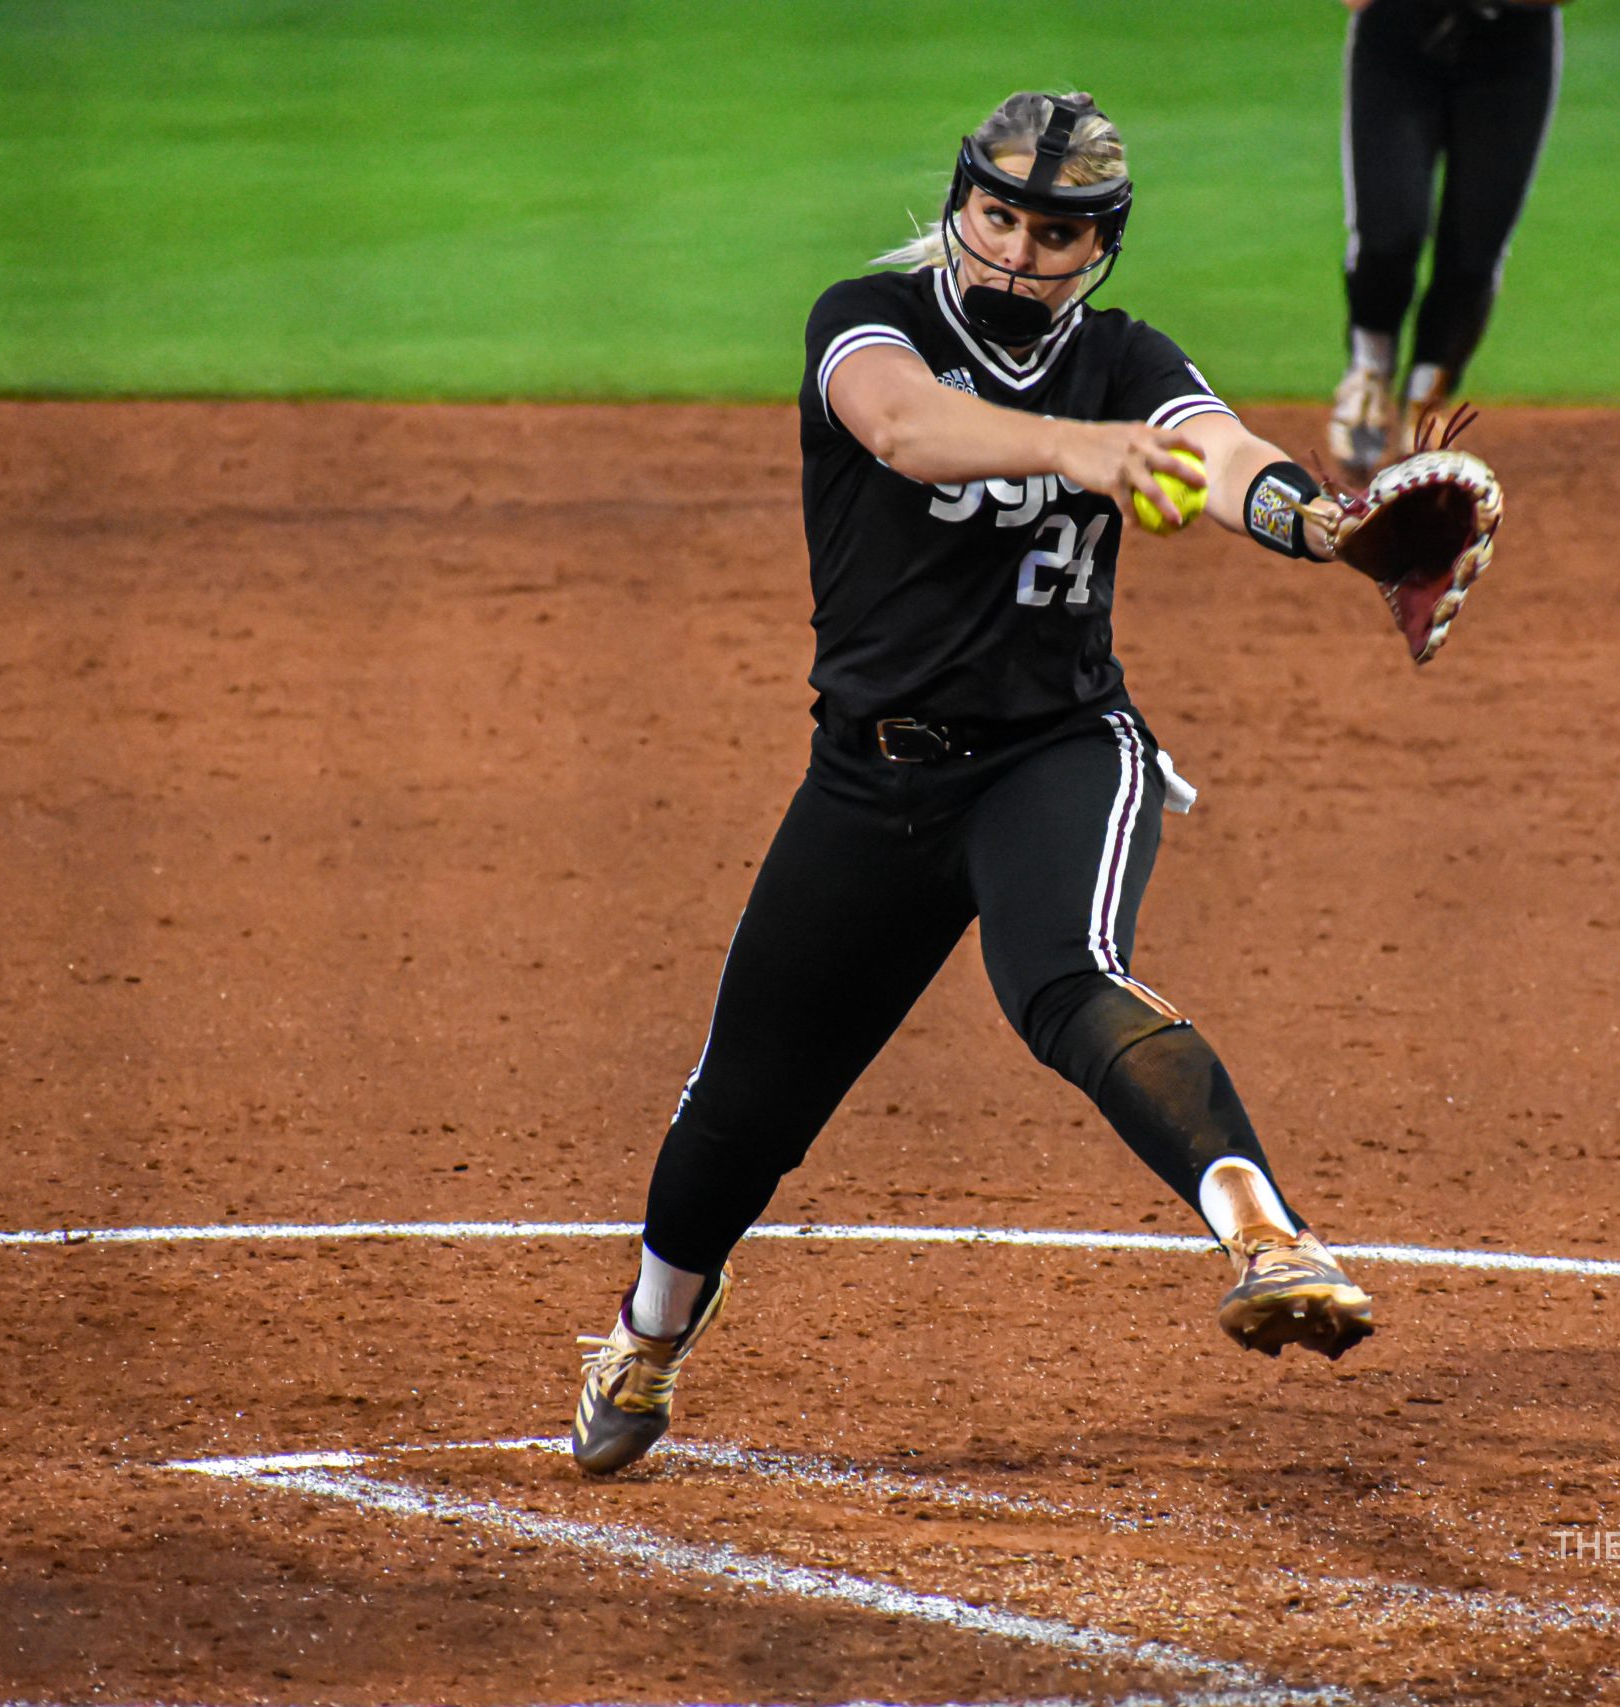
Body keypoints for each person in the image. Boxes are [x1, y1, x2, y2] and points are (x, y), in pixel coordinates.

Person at [573, 91, 1377, 1477]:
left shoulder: (1127, 360)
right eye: (998, 216)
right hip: (868, 781)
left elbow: (1228, 452)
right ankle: (646, 1337)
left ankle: (1266, 1233)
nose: (1016, 254)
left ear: (1101, 248)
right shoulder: (865, 322)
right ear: (959, 204)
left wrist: (1316, 523)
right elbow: (903, 429)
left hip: (1054, 751)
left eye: (1055, 235)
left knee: (1064, 977)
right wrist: (1085, 448)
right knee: (745, 1103)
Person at [1326, 0, 1563, 482]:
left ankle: (1427, 397)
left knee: (1474, 251)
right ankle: (1370, 374)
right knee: (1390, 234)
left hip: (1512, 52)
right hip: (1398, 42)